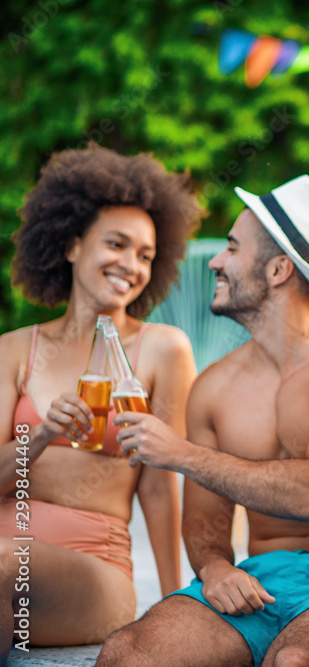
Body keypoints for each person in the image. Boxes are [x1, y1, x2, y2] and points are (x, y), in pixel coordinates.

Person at [95, 175, 309, 667]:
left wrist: (181, 454)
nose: (215, 262)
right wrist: (215, 568)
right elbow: (206, 522)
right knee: (126, 654)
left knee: (295, 660)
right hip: (263, 578)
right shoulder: (213, 386)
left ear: (277, 269)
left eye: (230, 247)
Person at [0, 144, 201, 655]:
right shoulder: (15, 350)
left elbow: (160, 488)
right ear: (71, 246)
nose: (131, 265)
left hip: (93, 572)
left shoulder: (161, 349)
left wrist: (174, 600)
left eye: (146, 256)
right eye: (117, 244)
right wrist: (41, 435)